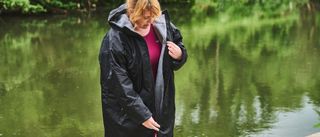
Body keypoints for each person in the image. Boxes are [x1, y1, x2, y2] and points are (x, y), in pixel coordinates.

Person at [98, 0, 187, 136]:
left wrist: (180, 55)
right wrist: (142, 115)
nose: (151, 21)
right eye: (146, 17)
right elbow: (119, 85)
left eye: (153, 16)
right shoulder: (115, 39)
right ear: (133, 12)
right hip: (127, 118)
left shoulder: (161, 25)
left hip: (161, 109)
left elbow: (178, 43)